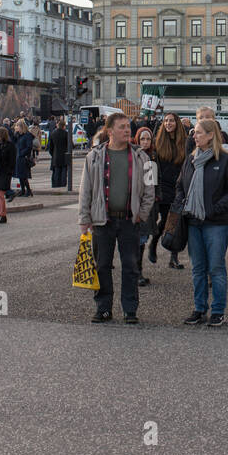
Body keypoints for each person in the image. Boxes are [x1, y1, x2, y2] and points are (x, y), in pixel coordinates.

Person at [78, 113, 155, 324]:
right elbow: (86, 190)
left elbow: (150, 190)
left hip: (130, 221)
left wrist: (143, 213)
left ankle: (130, 310)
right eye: (122, 127)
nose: (128, 130)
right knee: (102, 265)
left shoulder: (143, 158)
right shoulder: (93, 156)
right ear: (110, 131)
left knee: (130, 266)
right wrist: (84, 218)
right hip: (103, 221)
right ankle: (103, 308)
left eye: (128, 127)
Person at [174, 118, 228, 328]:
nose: (194, 135)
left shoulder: (225, 160)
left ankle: (218, 311)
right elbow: (180, 186)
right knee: (198, 268)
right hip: (193, 221)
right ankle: (199, 308)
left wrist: (215, 208)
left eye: (199, 132)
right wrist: (181, 204)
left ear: (211, 135)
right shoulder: (191, 159)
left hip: (216, 223)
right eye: (194, 132)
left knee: (216, 267)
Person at [149, 112, 187, 269]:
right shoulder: (158, 142)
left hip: (178, 187)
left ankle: (174, 257)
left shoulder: (184, 142)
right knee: (165, 221)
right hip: (163, 187)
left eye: (171, 121)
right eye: (166, 121)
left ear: (177, 123)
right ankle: (154, 243)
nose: (168, 123)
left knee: (176, 222)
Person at [134, 126, 156, 287]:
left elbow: (153, 183)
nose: (145, 142)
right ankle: (136, 272)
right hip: (134, 204)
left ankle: (138, 270)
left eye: (148, 139)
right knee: (137, 240)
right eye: (142, 139)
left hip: (148, 204)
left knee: (142, 239)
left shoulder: (153, 157)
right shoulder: (133, 156)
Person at [13, 119, 35, 197]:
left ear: (21, 127)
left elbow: (29, 147)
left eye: (17, 126)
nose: (16, 127)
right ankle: (23, 190)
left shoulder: (27, 135)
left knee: (24, 175)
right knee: (19, 175)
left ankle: (28, 190)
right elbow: (14, 142)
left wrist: (22, 153)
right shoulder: (18, 135)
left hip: (23, 158)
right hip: (18, 157)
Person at [49, 117, 72, 189]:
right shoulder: (66, 134)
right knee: (64, 172)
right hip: (64, 156)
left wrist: (53, 154)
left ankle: (56, 185)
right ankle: (63, 185)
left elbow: (50, 146)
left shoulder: (53, 133)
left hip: (55, 155)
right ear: (64, 126)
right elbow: (71, 145)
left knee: (56, 171)